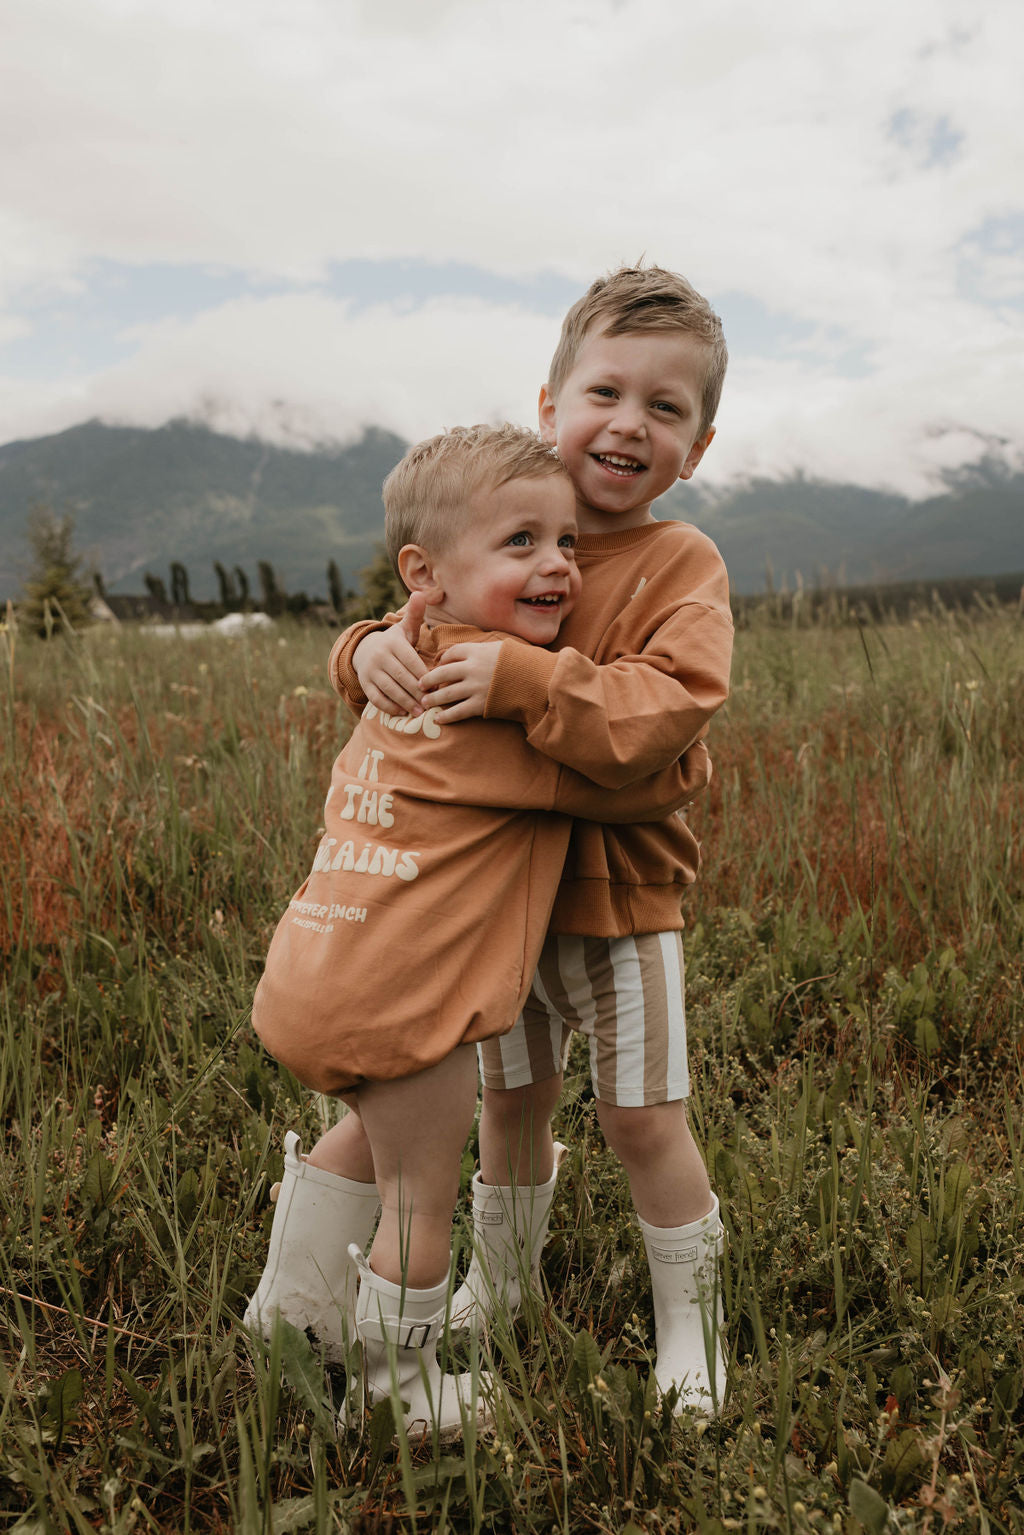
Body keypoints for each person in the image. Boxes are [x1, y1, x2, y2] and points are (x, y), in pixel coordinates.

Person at [332, 265, 735, 1416]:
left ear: (696, 447)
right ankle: (501, 1286)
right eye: (606, 391)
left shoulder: (679, 564)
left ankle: (691, 1328)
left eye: (666, 408)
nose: (630, 423)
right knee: (508, 1103)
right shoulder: (497, 525)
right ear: (550, 404)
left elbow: (666, 713)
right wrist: (358, 652)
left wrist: (527, 676)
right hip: (490, 911)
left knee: (641, 1117)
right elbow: (407, 620)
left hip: (617, 906)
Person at [245, 422, 697, 1441]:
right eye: (521, 543)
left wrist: (364, 640)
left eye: (565, 542)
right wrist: (686, 768)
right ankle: (397, 1388)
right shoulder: (489, 706)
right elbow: (646, 776)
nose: (555, 566)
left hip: (318, 965)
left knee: (371, 1130)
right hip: (401, 994)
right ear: (426, 572)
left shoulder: (399, 660)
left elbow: (375, 655)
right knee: (419, 1192)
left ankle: (291, 1307)